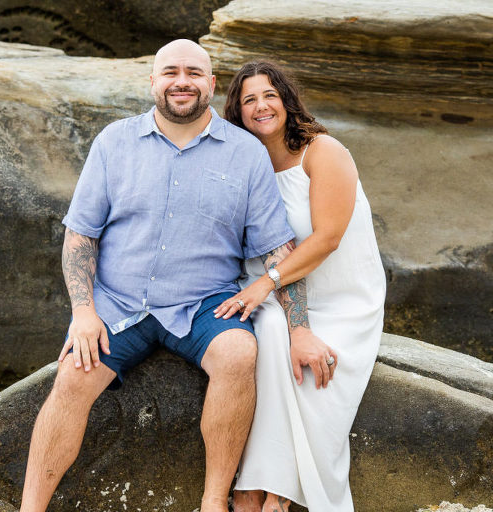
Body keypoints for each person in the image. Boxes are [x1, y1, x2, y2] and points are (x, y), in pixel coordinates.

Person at [19, 41, 317, 512]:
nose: (183, 81)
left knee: (239, 353)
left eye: (195, 73)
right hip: (119, 303)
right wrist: (83, 313)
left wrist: (299, 329)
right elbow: (80, 238)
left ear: (212, 84)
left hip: (204, 305)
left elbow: (280, 249)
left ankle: (214, 501)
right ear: (153, 81)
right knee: (73, 378)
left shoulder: (245, 154)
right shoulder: (113, 142)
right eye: (171, 72)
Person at [214, 62, 386, 512]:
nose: (261, 106)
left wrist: (265, 285)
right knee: (268, 333)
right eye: (249, 99)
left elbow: (327, 238)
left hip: (344, 297)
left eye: (269, 95)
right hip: (278, 290)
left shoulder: (322, 151)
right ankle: (262, 492)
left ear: (287, 101)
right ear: (238, 112)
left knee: (315, 378)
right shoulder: (245, 163)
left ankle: (273, 495)